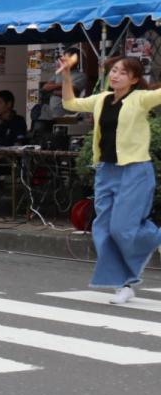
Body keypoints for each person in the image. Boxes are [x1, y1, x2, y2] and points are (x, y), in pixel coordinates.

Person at [61, 55, 161, 305]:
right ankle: (124, 284)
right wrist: (65, 75)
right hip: (106, 171)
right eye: (114, 70)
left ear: (135, 79)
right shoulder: (101, 99)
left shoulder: (140, 99)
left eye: (123, 73)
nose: (115, 75)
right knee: (103, 230)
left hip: (135, 170)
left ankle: (155, 236)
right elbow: (70, 103)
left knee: (122, 228)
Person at [39, 47, 87, 121]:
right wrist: (63, 84)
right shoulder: (59, 73)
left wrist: (52, 92)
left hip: (68, 115)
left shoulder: (81, 76)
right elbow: (45, 87)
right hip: (52, 114)